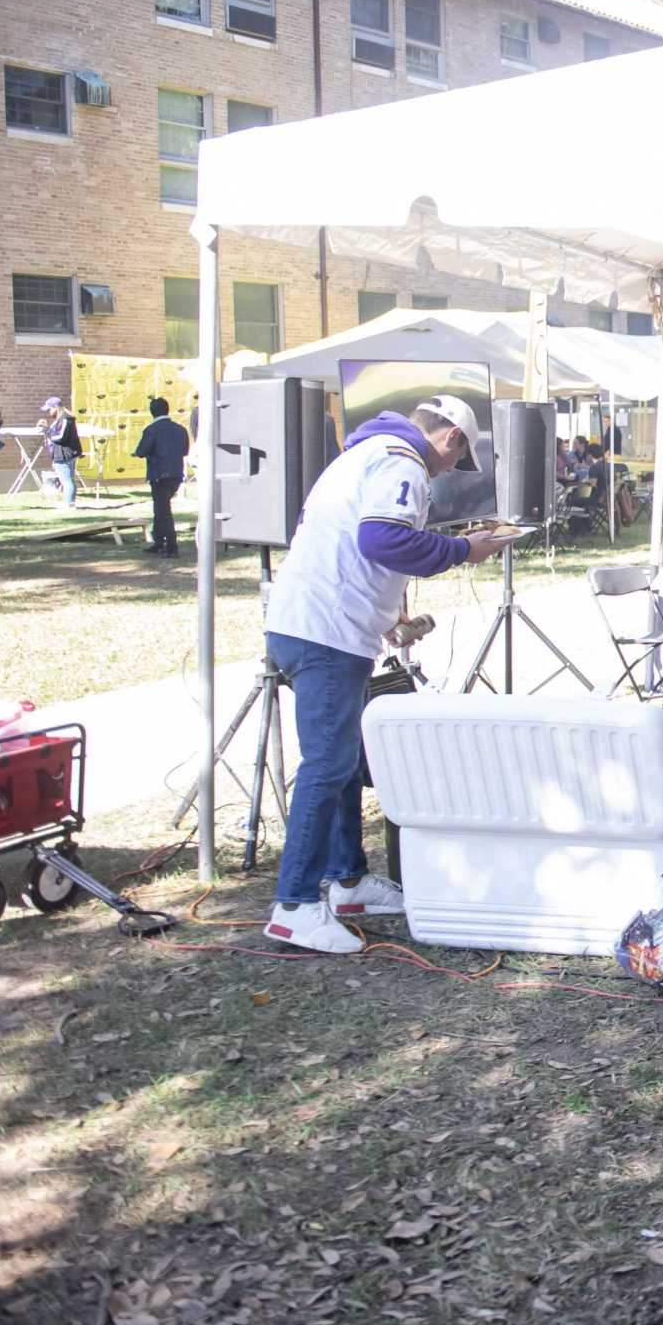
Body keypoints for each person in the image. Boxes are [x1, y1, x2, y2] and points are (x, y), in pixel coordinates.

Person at [260, 396, 507, 952]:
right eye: (454, 463)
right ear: (452, 441)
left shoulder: (366, 454)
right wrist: (464, 549)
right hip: (326, 630)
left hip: (319, 624)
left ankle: (348, 880)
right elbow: (383, 539)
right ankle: (294, 903)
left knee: (342, 758)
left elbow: (358, 548)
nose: (447, 474)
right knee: (328, 763)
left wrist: (389, 611)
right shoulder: (404, 464)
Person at [132, 396, 189, 555]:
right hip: (176, 473)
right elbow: (185, 451)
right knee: (161, 508)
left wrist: (136, 453)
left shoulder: (151, 430)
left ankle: (171, 546)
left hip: (159, 474)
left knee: (163, 511)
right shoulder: (180, 429)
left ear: (152, 412)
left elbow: (142, 451)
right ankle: (158, 542)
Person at [39, 396, 83, 508]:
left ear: (56, 407)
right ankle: (71, 503)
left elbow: (61, 437)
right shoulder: (61, 419)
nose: (49, 412)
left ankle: (69, 504)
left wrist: (46, 431)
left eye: (50, 409)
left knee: (66, 481)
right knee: (69, 480)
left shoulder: (65, 419)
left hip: (64, 453)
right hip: (64, 452)